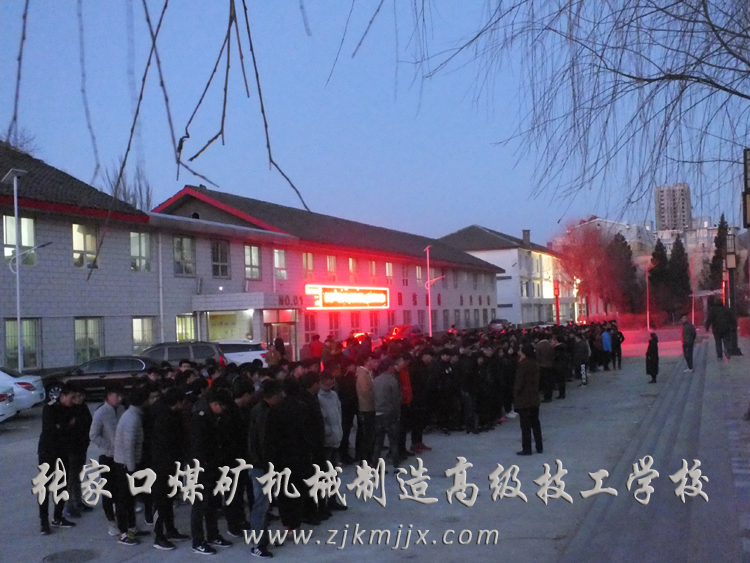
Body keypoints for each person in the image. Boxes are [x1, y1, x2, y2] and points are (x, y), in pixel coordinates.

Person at [189, 388, 234, 555]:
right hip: (200, 468)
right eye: (222, 406)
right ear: (214, 404)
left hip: (213, 465)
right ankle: (198, 540)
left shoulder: (214, 417)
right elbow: (197, 446)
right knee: (200, 504)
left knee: (213, 502)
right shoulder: (200, 418)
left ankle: (213, 534)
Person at [247, 379, 283, 558]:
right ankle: (258, 544)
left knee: (264, 504)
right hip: (261, 465)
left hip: (262, 464)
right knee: (261, 505)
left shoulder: (262, 410)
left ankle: (263, 539)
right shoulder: (263, 413)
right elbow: (263, 443)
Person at [151, 387, 190, 550]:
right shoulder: (163, 418)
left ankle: (170, 529)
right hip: (162, 465)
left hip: (172, 464)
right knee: (161, 501)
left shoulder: (172, 415)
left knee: (169, 498)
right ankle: (159, 535)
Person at [37, 383, 78, 534]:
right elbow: (51, 429)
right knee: (45, 486)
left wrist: (62, 426)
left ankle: (58, 516)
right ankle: (44, 522)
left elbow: (72, 427)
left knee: (62, 485)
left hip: (63, 452)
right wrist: (65, 426)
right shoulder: (50, 408)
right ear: (63, 395)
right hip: (48, 452)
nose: (73, 401)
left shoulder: (72, 409)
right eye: (71, 397)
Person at [112, 386, 150, 546]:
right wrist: (132, 469)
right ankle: (123, 533)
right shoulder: (132, 418)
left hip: (128, 464)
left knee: (130, 499)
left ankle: (132, 528)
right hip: (125, 465)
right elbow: (129, 446)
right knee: (124, 500)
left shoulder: (133, 415)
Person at [89, 386, 125, 537]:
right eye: (117, 395)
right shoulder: (101, 412)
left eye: (121, 395)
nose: (120, 398)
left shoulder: (122, 410)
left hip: (122, 456)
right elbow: (93, 435)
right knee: (108, 490)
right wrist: (109, 446)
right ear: (108, 396)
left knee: (121, 489)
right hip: (108, 456)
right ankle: (111, 521)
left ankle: (122, 519)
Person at [372, 358, 402, 470]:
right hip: (390, 413)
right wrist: (398, 413)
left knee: (378, 442)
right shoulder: (392, 380)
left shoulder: (376, 380)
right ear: (389, 367)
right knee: (393, 441)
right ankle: (395, 466)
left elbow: (373, 396)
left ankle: (375, 465)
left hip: (378, 413)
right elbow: (395, 399)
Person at [514, 343, 542, 456]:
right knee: (535, 423)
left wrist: (515, 392)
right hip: (534, 397)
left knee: (525, 425)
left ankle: (527, 448)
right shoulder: (535, 363)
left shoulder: (522, 365)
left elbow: (519, 382)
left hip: (524, 398)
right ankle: (539, 446)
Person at [355, 355, 378, 464]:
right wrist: (376, 396)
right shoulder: (363, 375)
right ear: (367, 361)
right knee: (367, 435)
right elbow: (366, 392)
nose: (374, 362)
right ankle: (365, 459)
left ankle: (368, 457)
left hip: (370, 407)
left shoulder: (369, 373)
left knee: (370, 434)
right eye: (372, 360)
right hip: (366, 408)